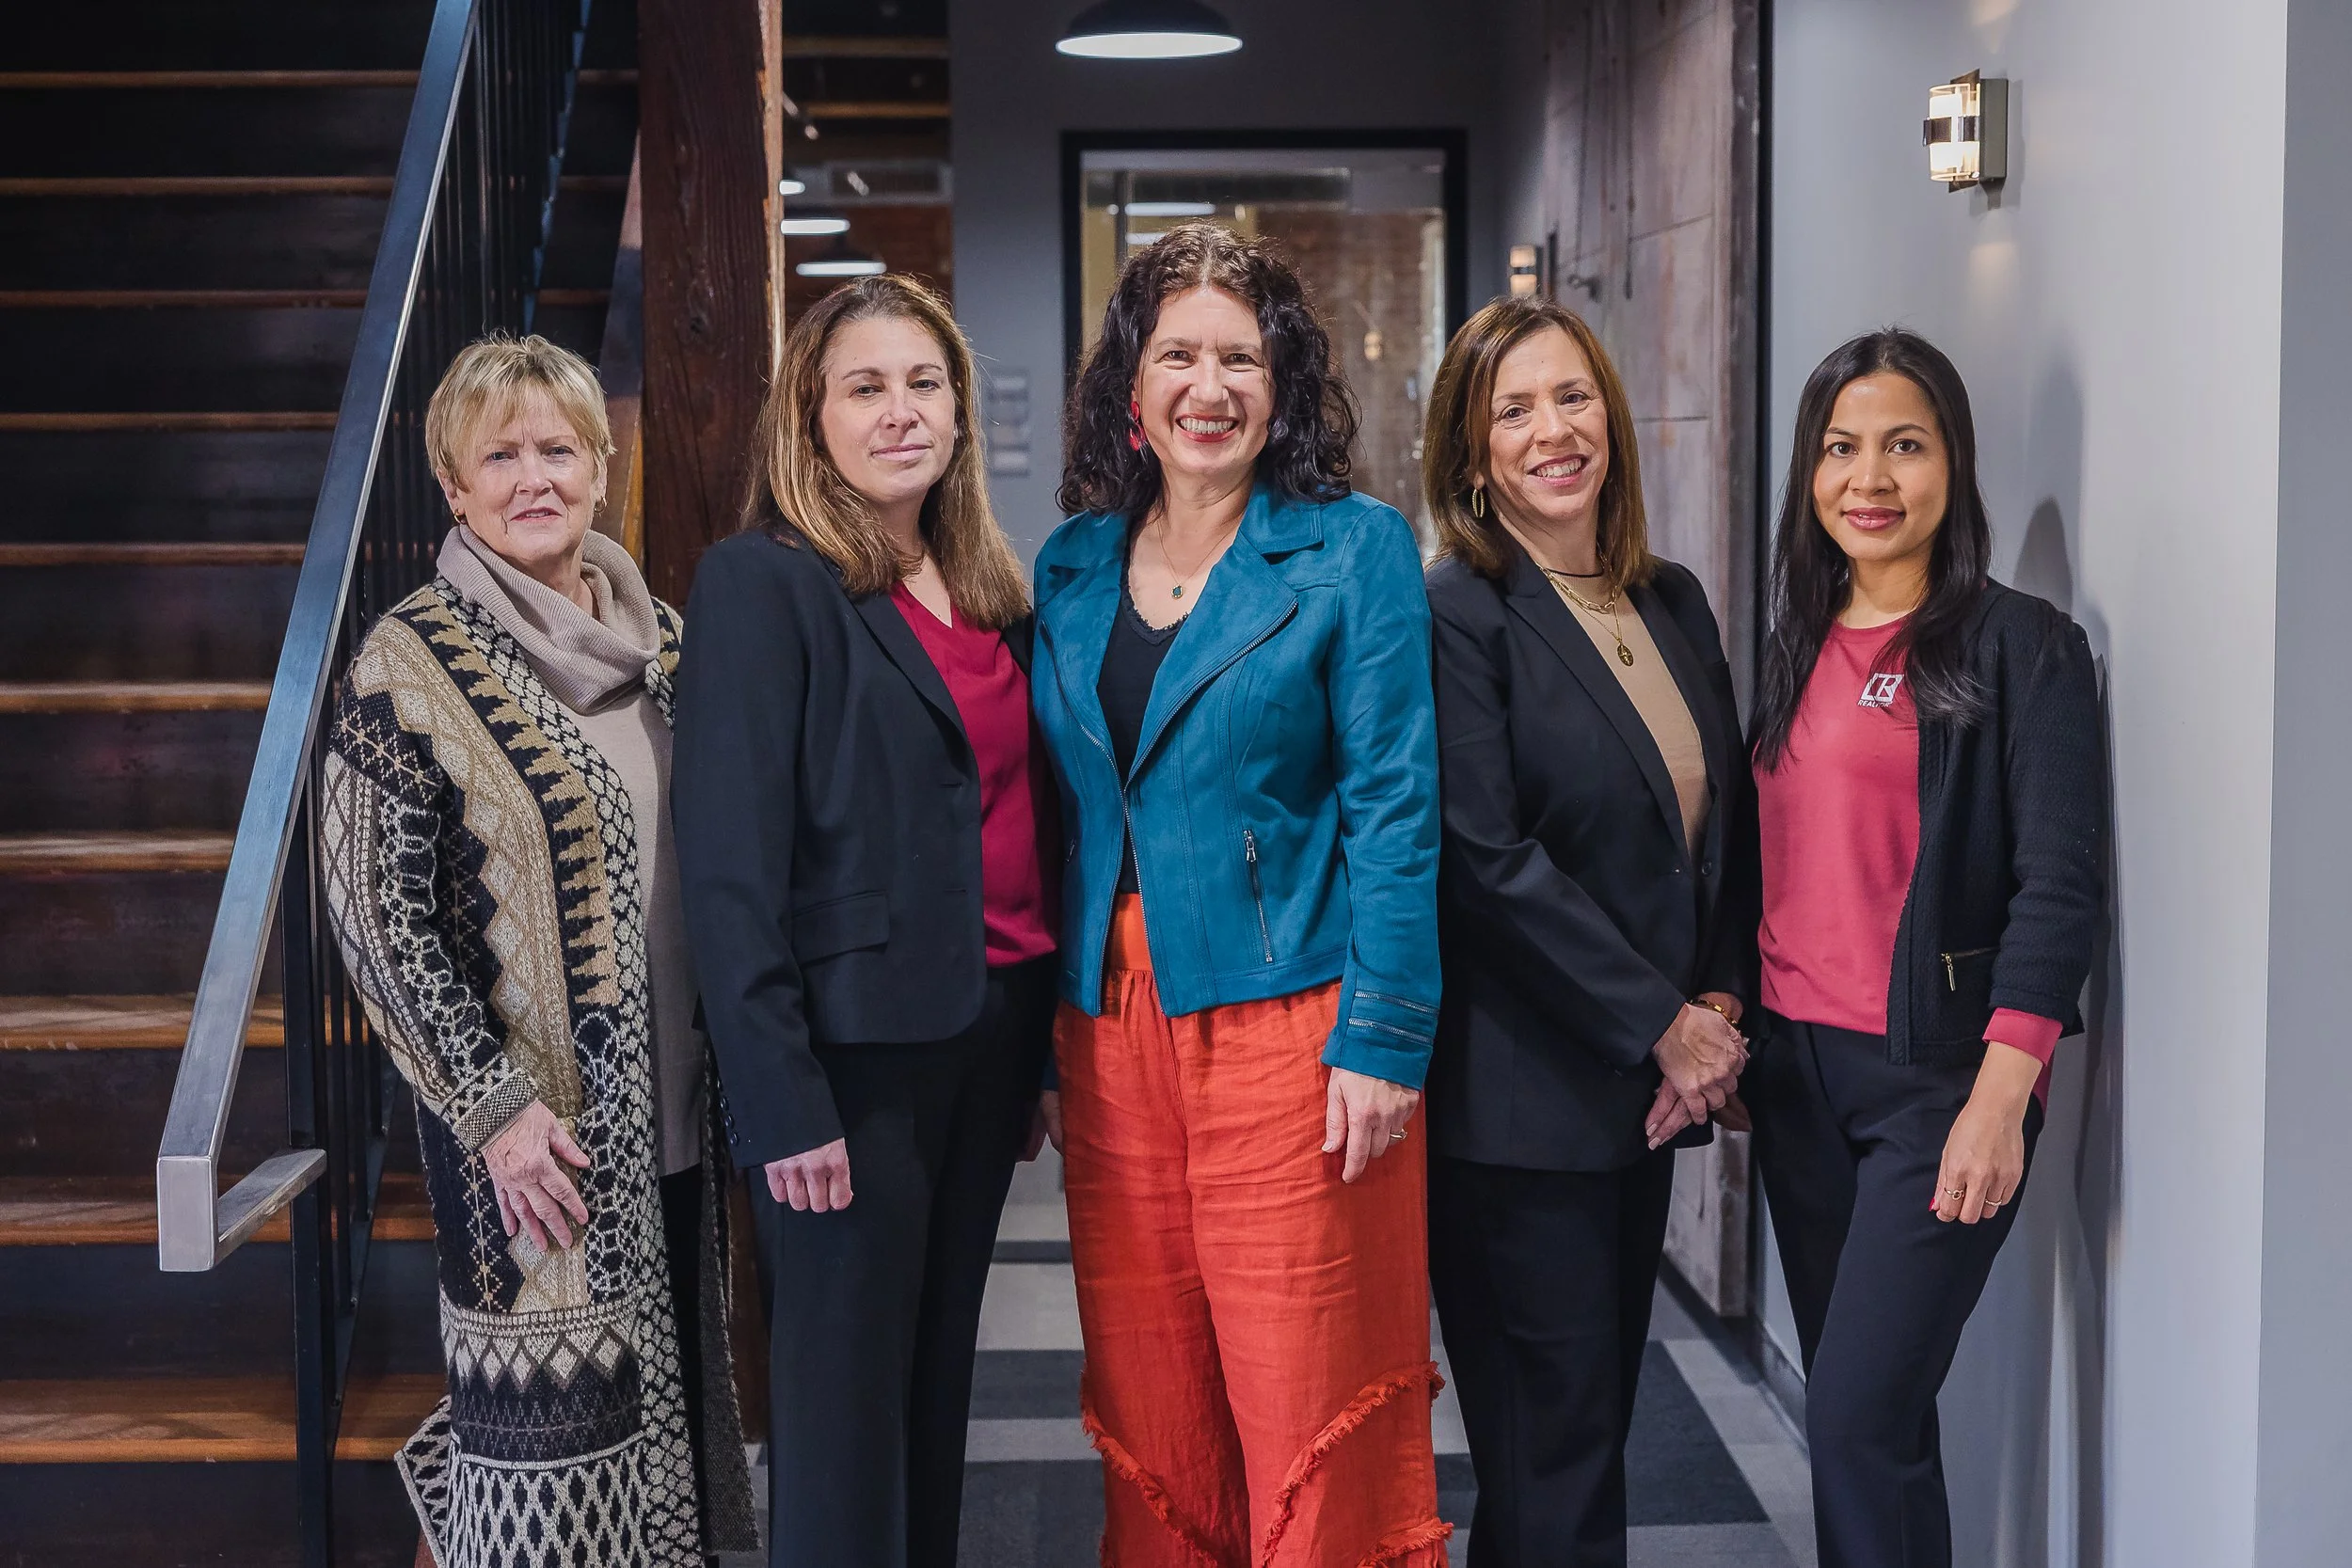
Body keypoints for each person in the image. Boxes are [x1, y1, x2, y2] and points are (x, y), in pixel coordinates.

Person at [1030, 222, 1449, 1568]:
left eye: (1240, 358)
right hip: (1108, 1033)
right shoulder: (1071, 565)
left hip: (1296, 1021)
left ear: (1282, 383)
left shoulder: (1351, 548)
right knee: (1156, 1404)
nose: (1209, 386)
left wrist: (1385, 1034)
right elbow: (1058, 811)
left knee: (1307, 1392)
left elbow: (1395, 799)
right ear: (1131, 388)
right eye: (1177, 357)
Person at [320, 333, 756, 1568]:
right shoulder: (407, 664)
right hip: (537, 1153)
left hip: (675, 1123)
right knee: (543, 1472)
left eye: (558, 448)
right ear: (454, 489)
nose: (533, 477)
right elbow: (373, 915)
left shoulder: (662, 644)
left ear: (602, 468)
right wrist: (496, 1112)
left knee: (676, 1439)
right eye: (498, 456)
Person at [671, 273, 1058, 1568]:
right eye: (866, 387)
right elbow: (728, 867)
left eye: (924, 382)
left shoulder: (991, 586)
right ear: (811, 418)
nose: (902, 411)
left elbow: (1016, 823)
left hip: (988, 1032)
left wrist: (1039, 1057)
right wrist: (781, 1098)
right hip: (848, 1063)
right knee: (840, 1426)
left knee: (937, 1391)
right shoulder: (761, 584)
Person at [1742, 328, 2104, 1568]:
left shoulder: (2022, 645)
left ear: (1953, 460)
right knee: (1882, 1421)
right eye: (1841, 448)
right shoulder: (1796, 638)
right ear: (1810, 471)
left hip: (1935, 1085)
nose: (1871, 477)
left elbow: (2060, 889)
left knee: (1847, 1416)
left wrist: (2004, 1098)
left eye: (1905, 443)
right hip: (1799, 1080)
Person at [1418, 295, 1756, 1566]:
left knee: (1588, 1438)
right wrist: (1658, 1023)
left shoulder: (1668, 601)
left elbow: (1725, 828)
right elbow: (1485, 859)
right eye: (1513, 410)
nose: (1553, 430)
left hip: (1639, 1099)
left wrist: (1718, 1007)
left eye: (1572, 398)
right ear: (1470, 449)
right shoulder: (1459, 611)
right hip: (1517, 1114)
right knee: (1549, 1449)